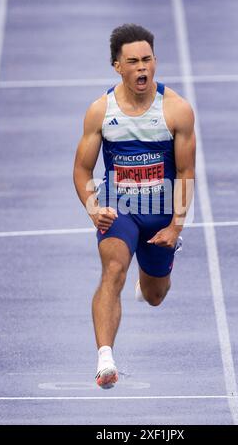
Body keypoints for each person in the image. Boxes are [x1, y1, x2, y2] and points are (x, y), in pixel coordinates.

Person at [73, 24, 196, 389]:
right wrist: (94, 207)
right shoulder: (100, 111)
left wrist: (176, 227)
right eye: (133, 62)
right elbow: (82, 169)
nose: (142, 68)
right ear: (117, 66)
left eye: (147, 60)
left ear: (155, 61)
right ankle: (105, 359)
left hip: (161, 214)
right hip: (119, 208)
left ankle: (150, 280)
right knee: (113, 270)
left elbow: (187, 171)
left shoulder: (177, 110)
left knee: (155, 296)